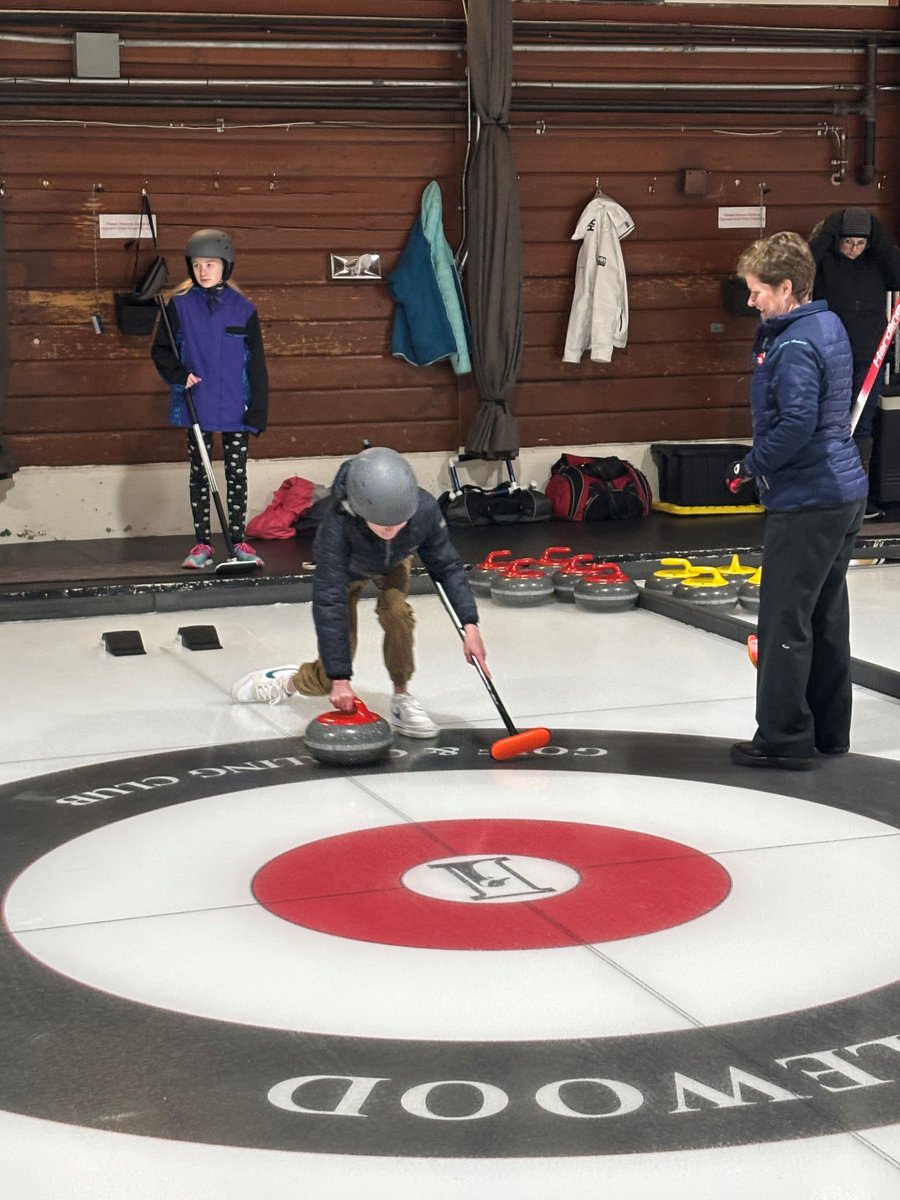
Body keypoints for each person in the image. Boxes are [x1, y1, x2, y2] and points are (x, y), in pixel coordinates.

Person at [727, 231, 868, 770]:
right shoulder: (825, 324)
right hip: (843, 492)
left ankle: (784, 738)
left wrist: (750, 465)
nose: (751, 301)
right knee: (824, 616)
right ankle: (829, 732)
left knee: (785, 621)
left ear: (787, 288)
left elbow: (795, 425)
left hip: (809, 498)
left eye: (758, 290)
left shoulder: (793, 346)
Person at [230, 445, 488, 738]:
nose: (391, 530)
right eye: (382, 525)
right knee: (332, 673)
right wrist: (340, 678)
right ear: (360, 510)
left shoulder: (424, 510)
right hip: (349, 568)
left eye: (399, 524)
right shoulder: (336, 526)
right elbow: (329, 601)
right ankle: (289, 681)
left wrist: (470, 624)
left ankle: (402, 696)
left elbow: (448, 567)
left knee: (397, 612)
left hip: (394, 561)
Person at [151, 228, 269, 569]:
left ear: (226, 266)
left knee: (236, 474)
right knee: (200, 474)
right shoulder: (179, 306)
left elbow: (257, 364)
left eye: (211, 264)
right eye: (197, 265)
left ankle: (238, 540)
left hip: (236, 404)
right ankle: (202, 543)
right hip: (197, 402)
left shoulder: (243, 309)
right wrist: (179, 375)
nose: (203, 271)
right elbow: (161, 350)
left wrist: (258, 410)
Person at [809, 206, 900, 519]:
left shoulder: (877, 261)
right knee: (827, 421)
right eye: (848, 242)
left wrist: (876, 230)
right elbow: (805, 265)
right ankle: (822, 493)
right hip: (830, 353)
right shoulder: (824, 262)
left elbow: (897, 273)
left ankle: (856, 497)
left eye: (860, 243)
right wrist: (831, 230)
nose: (853, 249)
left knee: (862, 425)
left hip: (869, 357)